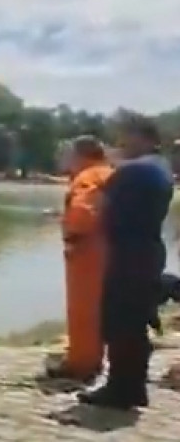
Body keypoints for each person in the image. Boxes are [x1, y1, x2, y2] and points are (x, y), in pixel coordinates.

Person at [79, 116, 173, 409]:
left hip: (127, 254)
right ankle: (133, 387)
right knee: (135, 321)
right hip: (149, 249)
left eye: (126, 136)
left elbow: (101, 208)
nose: (121, 142)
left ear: (145, 138)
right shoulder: (162, 167)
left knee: (120, 322)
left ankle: (121, 390)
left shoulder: (133, 170)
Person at [47, 136, 113, 382]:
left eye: (67, 154)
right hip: (106, 249)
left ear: (79, 155)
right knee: (98, 310)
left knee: (82, 311)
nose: (63, 159)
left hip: (86, 254)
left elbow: (84, 212)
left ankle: (81, 365)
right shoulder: (107, 173)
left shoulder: (87, 177)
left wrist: (72, 233)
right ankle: (93, 357)